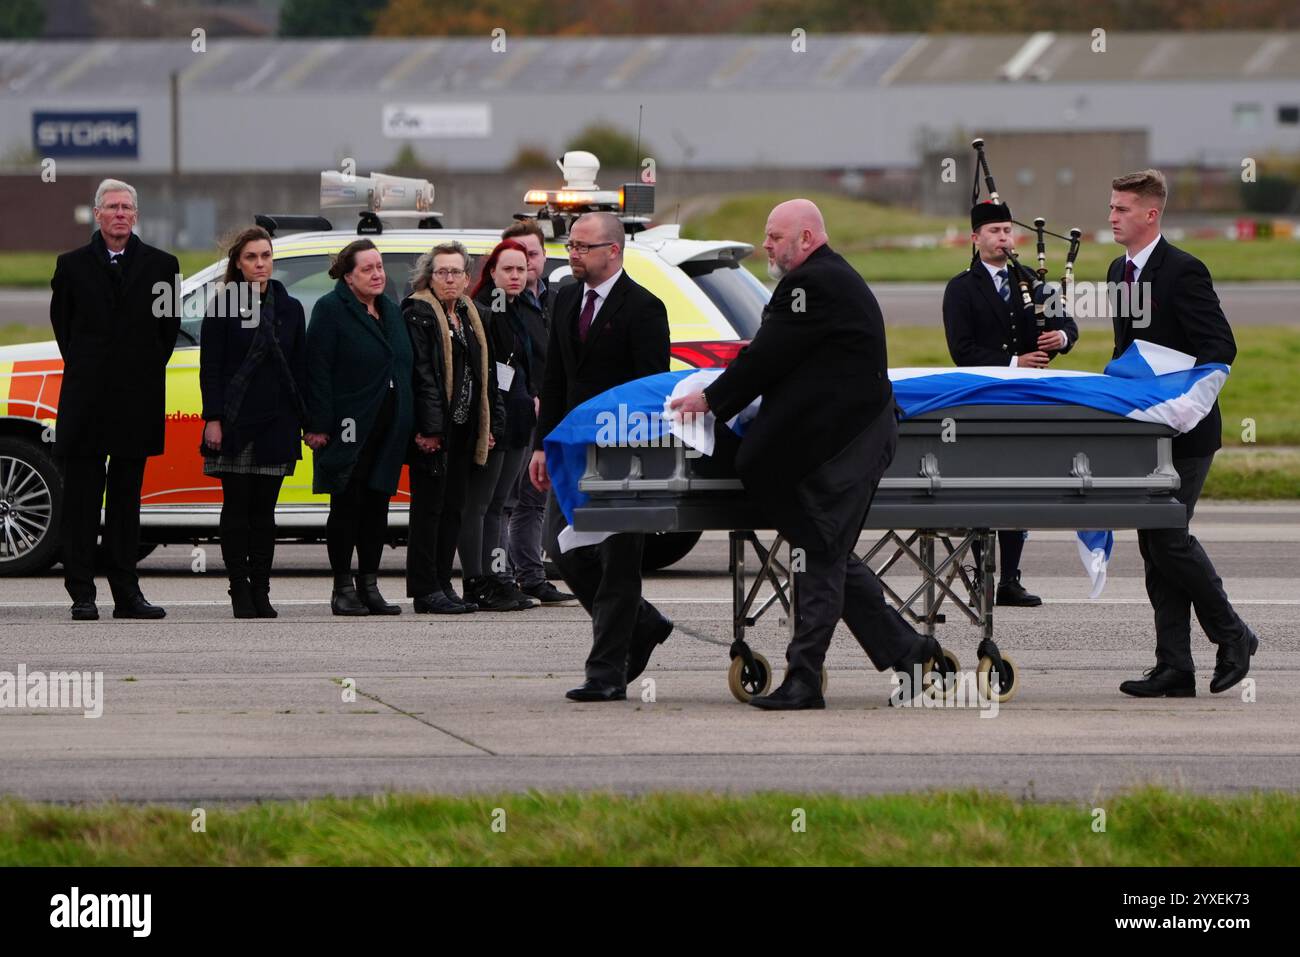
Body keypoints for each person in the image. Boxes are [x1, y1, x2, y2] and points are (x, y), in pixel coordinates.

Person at [671, 199, 952, 711]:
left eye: (775, 236)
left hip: (843, 450)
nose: (767, 245)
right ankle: (909, 652)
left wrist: (711, 399)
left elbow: (767, 356)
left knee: (819, 554)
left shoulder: (812, 285)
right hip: (840, 445)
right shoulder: (822, 281)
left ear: (806, 238)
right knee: (828, 553)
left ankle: (805, 678)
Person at [1106, 169, 1257, 697]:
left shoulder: (1185, 271)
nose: (1112, 217)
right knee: (1154, 544)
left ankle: (1233, 634)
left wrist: (1185, 409)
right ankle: (1175, 668)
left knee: (1168, 538)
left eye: (1122, 208)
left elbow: (1219, 348)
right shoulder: (1116, 271)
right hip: (1144, 434)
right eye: (1112, 207)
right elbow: (1129, 353)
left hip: (1187, 432)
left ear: (1151, 214)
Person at [530, 212, 673, 701]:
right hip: (571, 452)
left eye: (583, 247)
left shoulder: (645, 309)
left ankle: (606, 673)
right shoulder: (565, 298)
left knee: (618, 564)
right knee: (560, 548)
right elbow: (554, 380)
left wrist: (639, 459)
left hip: (622, 457)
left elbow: (651, 390)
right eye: (570, 246)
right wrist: (541, 445)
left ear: (613, 251)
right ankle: (644, 621)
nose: (573, 254)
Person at [48, 178, 180, 621]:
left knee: (127, 502)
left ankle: (127, 593)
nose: (120, 213)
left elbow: (166, 335)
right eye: (112, 207)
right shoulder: (71, 266)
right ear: (98, 214)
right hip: (86, 403)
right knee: (82, 502)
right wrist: (94, 371)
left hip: (135, 403)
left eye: (127, 207)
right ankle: (82, 593)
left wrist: (133, 373)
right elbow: (64, 330)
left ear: (135, 215)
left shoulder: (164, 267)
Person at [941, 200, 1080, 607]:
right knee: (984, 484)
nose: (1003, 239)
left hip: (1025, 399)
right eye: (994, 232)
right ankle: (982, 577)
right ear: (975, 238)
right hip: (983, 397)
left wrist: (1063, 339)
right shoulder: (961, 289)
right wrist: (1013, 362)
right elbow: (961, 350)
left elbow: (1066, 324)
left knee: (1020, 484)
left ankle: (1010, 579)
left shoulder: (1033, 283)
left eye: (1007, 231)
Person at [200, 226, 308, 618]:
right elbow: (209, 367)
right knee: (236, 509)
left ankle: (261, 589)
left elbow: (300, 368)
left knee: (265, 513)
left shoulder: (290, 307)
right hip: (234, 421)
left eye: (265, 256)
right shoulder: (223, 304)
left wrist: (306, 421)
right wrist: (212, 418)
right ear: (238, 263)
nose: (260, 264)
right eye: (251, 257)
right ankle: (239, 589)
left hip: (278, 421)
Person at [304, 240, 413, 616]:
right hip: (348, 426)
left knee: (377, 506)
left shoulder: (390, 310)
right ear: (348, 276)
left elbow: (402, 365)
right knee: (347, 505)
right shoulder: (330, 310)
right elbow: (316, 370)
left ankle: (369, 584)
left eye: (380, 266)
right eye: (368, 269)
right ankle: (342, 587)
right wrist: (317, 424)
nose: (378, 274)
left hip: (388, 426)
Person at [403, 241, 502, 614]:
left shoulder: (469, 314)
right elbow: (423, 376)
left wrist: (487, 425)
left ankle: (444, 583)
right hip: (435, 431)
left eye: (456, 272)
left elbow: (484, 375)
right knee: (428, 510)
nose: (449, 279)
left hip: (463, 428)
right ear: (430, 276)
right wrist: (430, 429)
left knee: (453, 509)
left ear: (467, 277)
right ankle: (425, 589)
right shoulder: (418, 313)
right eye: (441, 272)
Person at [456, 240, 544, 611]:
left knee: (502, 506)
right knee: (483, 505)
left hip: (522, 422)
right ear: (491, 272)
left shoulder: (526, 309)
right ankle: (480, 580)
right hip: (495, 422)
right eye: (507, 269)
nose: (515, 276)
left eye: (521, 269)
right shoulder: (484, 313)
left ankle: (500, 578)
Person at [498, 220, 574, 606]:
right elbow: (499, 365)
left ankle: (531, 575)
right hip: (515, 414)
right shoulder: (500, 305)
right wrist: (527, 397)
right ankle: (503, 575)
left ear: (544, 257)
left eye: (533, 254)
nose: (526, 263)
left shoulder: (561, 298)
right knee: (506, 502)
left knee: (535, 499)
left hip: (552, 414)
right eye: (517, 255)